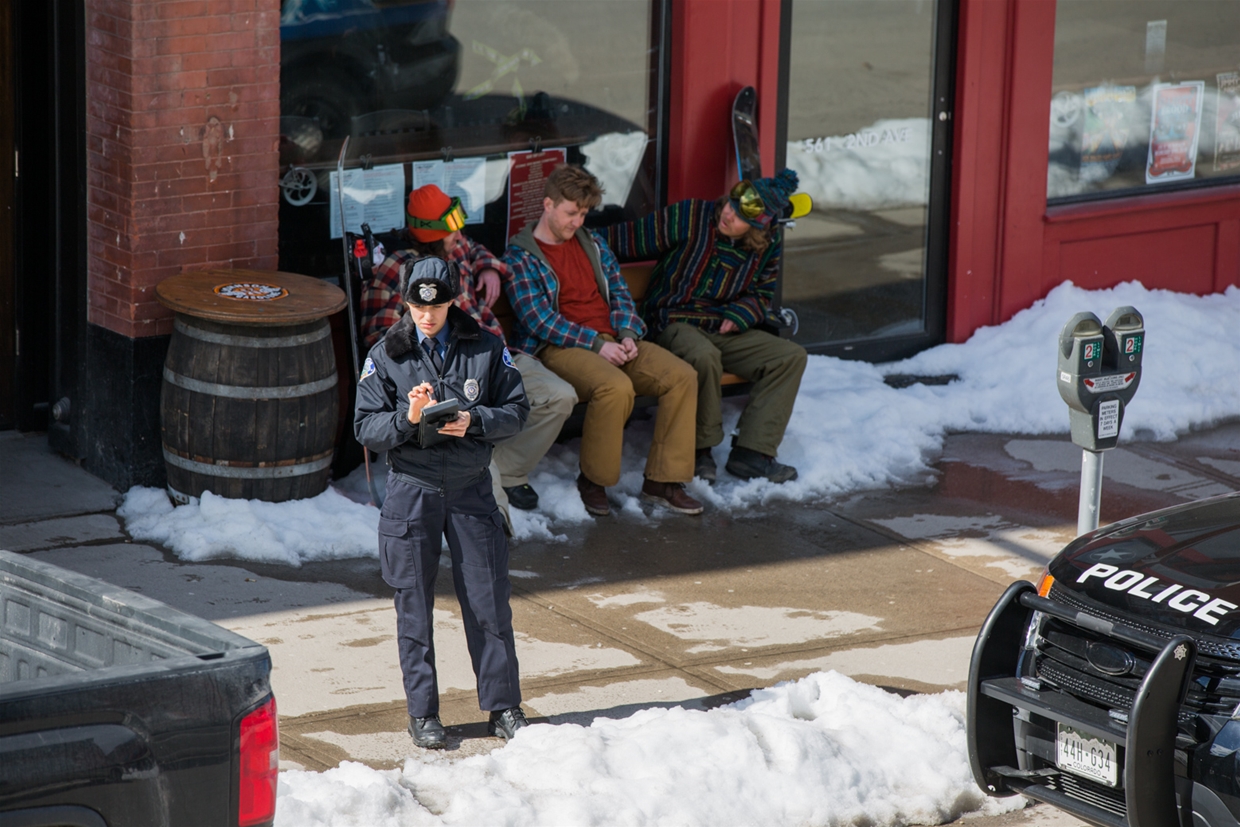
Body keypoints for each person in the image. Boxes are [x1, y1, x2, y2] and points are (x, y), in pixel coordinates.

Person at [354, 256, 530, 749]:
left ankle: (503, 706)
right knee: (414, 604)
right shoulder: (385, 354)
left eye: (437, 306)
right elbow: (365, 427)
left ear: (454, 301)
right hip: (413, 491)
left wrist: (474, 421)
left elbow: (517, 411)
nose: (427, 317)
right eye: (416, 306)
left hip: (472, 488)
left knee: (489, 599)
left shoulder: (487, 347)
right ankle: (423, 713)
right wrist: (408, 418)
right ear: (406, 302)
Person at [362, 185, 577, 525]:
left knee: (560, 397)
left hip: (493, 355)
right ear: (433, 234)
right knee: (466, 427)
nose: (460, 232)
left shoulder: (456, 247)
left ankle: (507, 470)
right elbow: (381, 337)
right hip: (443, 376)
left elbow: (475, 248)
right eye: (453, 225)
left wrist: (489, 267)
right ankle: (496, 520)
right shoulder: (398, 268)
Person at [503, 164, 704, 517]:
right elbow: (540, 320)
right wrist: (597, 344)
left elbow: (622, 295)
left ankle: (663, 480)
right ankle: (594, 481)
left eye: (583, 213)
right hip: (560, 347)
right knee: (614, 386)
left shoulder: (593, 244)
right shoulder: (520, 256)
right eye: (570, 213)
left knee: (681, 376)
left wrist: (627, 333)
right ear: (548, 204)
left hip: (612, 339)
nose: (576, 222)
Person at [604, 169, 808, 484]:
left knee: (789, 357)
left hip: (725, 328)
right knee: (703, 355)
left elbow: (762, 293)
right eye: (731, 204)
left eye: (740, 216)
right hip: (673, 320)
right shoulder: (690, 216)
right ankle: (700, 450)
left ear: (758, 227)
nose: (728, 214)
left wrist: (742, 312)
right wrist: (572, 237)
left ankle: (753, 453)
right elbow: (625, 239)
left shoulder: (767, 245)